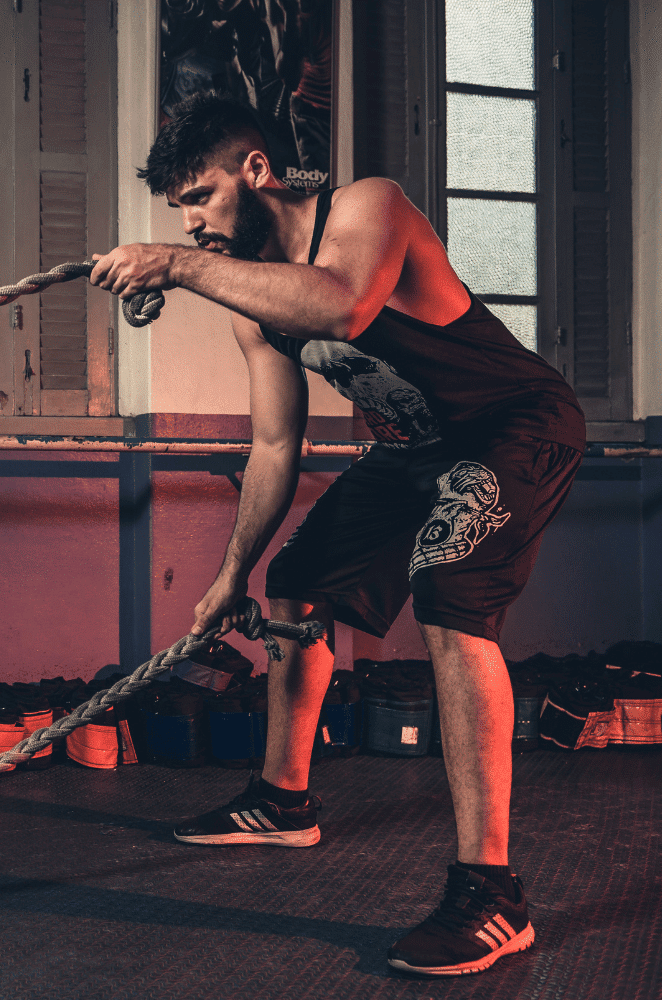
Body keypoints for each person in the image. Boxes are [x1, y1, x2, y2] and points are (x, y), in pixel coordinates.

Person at [88, 93, 585, 977]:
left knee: (448, 589)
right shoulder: (252, 303)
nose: (193, 224)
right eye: (180, 214)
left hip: (514, 424)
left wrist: (172, 263)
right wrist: (228, 576)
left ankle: (492, 894)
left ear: (255, 169)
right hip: (413, 449)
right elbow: (277, 446)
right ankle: (283, 800)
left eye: (200, 197)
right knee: (299, 580)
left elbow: (344, 306)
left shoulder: (367, 206)